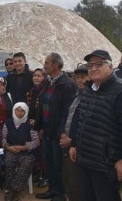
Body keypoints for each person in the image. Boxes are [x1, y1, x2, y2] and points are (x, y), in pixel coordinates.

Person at [69, 50, 122, 201]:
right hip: (84, 159)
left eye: (99, 64)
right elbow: (81, 120)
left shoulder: (119, 91)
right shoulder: (89, 89)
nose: (93, 68)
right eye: (90, 65)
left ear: (111, 67)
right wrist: (74, 144)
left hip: (105, 164)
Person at [35, 52, 77, 201]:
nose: (44, 65)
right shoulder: (48, 81)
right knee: (49, 162)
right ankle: (52, 190)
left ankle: (59, 194)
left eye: (46, 63)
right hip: (46, 130)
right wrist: (40, 126)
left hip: (58, 133)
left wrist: (61, 132)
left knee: (59, 164)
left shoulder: (67, 85)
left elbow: (68, 112)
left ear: (55, 65)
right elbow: (42, 105)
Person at [59, 64, 88, 201]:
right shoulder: (75, 96)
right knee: (68, 180)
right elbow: (64, 117)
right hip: (67, 145)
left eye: (83, 77)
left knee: (78, 185)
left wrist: (73, 141)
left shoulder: (91, 99)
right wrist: (62, 133)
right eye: (78, 78)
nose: (79, 80)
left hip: (79, 148)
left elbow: (88, 127)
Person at [2, 102, 40, 201]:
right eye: (17, 110)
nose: (19, 113)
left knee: (26, 164)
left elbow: (36, 141)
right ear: (14, 111)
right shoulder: (8, 123)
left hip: (27, 152)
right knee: (9, 162)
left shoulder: (30, 124)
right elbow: (2, 138)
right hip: (11, 150)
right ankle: (12, 191)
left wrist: (24, 147)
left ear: (26, 111)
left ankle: (12, 191)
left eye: (22, 111)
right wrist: (7, 147)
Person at [26, 68, 47, 187]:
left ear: (44, 77)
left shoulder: (45, 91)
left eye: (39, 75)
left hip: (41, 125)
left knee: (43, 152)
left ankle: (44, 176)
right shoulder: (31, 91)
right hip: (31, 125)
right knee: (35, 151)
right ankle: (36, 173)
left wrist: (37, 122)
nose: (36, 78)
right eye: (35, 75)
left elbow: (44, 110)